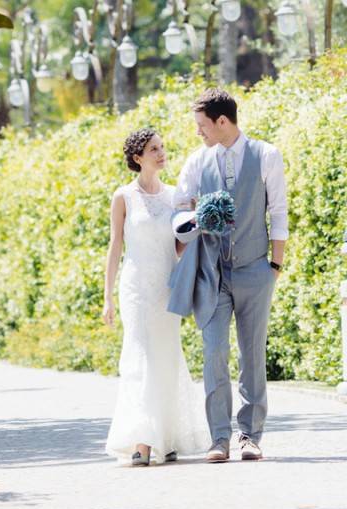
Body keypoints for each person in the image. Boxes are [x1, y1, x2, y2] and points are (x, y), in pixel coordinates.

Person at [169, 88, 288, 463]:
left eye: (202, 126)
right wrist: (195, 220)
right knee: (214, 350)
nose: (198, 133)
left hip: (256, 269)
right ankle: (218, 438)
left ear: (223, 121)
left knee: (252, 354)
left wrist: (275, 267)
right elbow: (178, 214)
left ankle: (250, 436)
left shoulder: (266, 155)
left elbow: (279, 213)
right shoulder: (195, 162)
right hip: (211, 272)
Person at [104, 128, 209, 466]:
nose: (162, 154)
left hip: (167, 287)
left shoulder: (176, 195)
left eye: (163, 147)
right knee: (139, 358)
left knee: (165, 357)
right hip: (135, 288)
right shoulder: (123, 196)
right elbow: (115, 247)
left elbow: (179, 245)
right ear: (138, 158)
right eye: (154, 149)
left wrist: (197, 225)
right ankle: (142, 441)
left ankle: (166, 435)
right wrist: (107, 297)